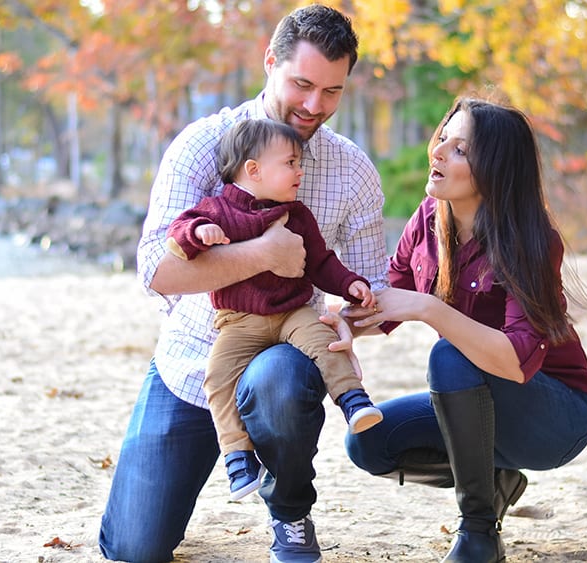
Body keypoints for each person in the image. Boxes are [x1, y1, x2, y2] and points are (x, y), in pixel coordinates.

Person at [98, 5, 389, 563]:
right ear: (269, 62)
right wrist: (262, 253)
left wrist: (353, 320)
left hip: (282, 355)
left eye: (332, 91)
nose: (314, 106)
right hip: (192, 362)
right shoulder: (203, 144)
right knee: (135, 548)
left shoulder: (350, 170)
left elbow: (367, 285)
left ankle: (291, 516)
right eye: (302, 84)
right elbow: (157, 270)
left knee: (281, 379)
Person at [341, 96, 587, 563]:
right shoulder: (427, 219)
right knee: (368, 443)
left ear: (495, 170)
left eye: (460, 150)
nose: (438, 152)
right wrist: (334, 324)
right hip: (478, 405)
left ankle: (478, 531)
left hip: (555, 413)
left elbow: (516, 363)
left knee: (450, 355)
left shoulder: (530, 241)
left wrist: (430, 310)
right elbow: (386, 303)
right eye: (444, 138)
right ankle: (498, 479)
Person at [164, 117, 383, 502]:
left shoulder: (296, 214)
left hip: (291, 312)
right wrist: (199, 234)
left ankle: (353, 401)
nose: (300, 171)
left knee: (324, 341)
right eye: (291, 163)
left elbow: (320, 262)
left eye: (300, 163)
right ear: (253, 170)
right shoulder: (217, 211)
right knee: (217, 377)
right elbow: (178, 233)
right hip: (239, 322)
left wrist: (348, 283)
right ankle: (237, 457)